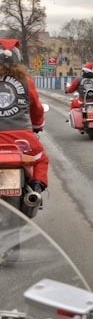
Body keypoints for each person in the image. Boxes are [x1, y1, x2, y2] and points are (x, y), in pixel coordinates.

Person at [0, 39, 49, 200]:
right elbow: (36, 108)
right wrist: (38, 124)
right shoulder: (27, 82)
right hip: (21, 138)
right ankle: (36, 187)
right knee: (41, 159)